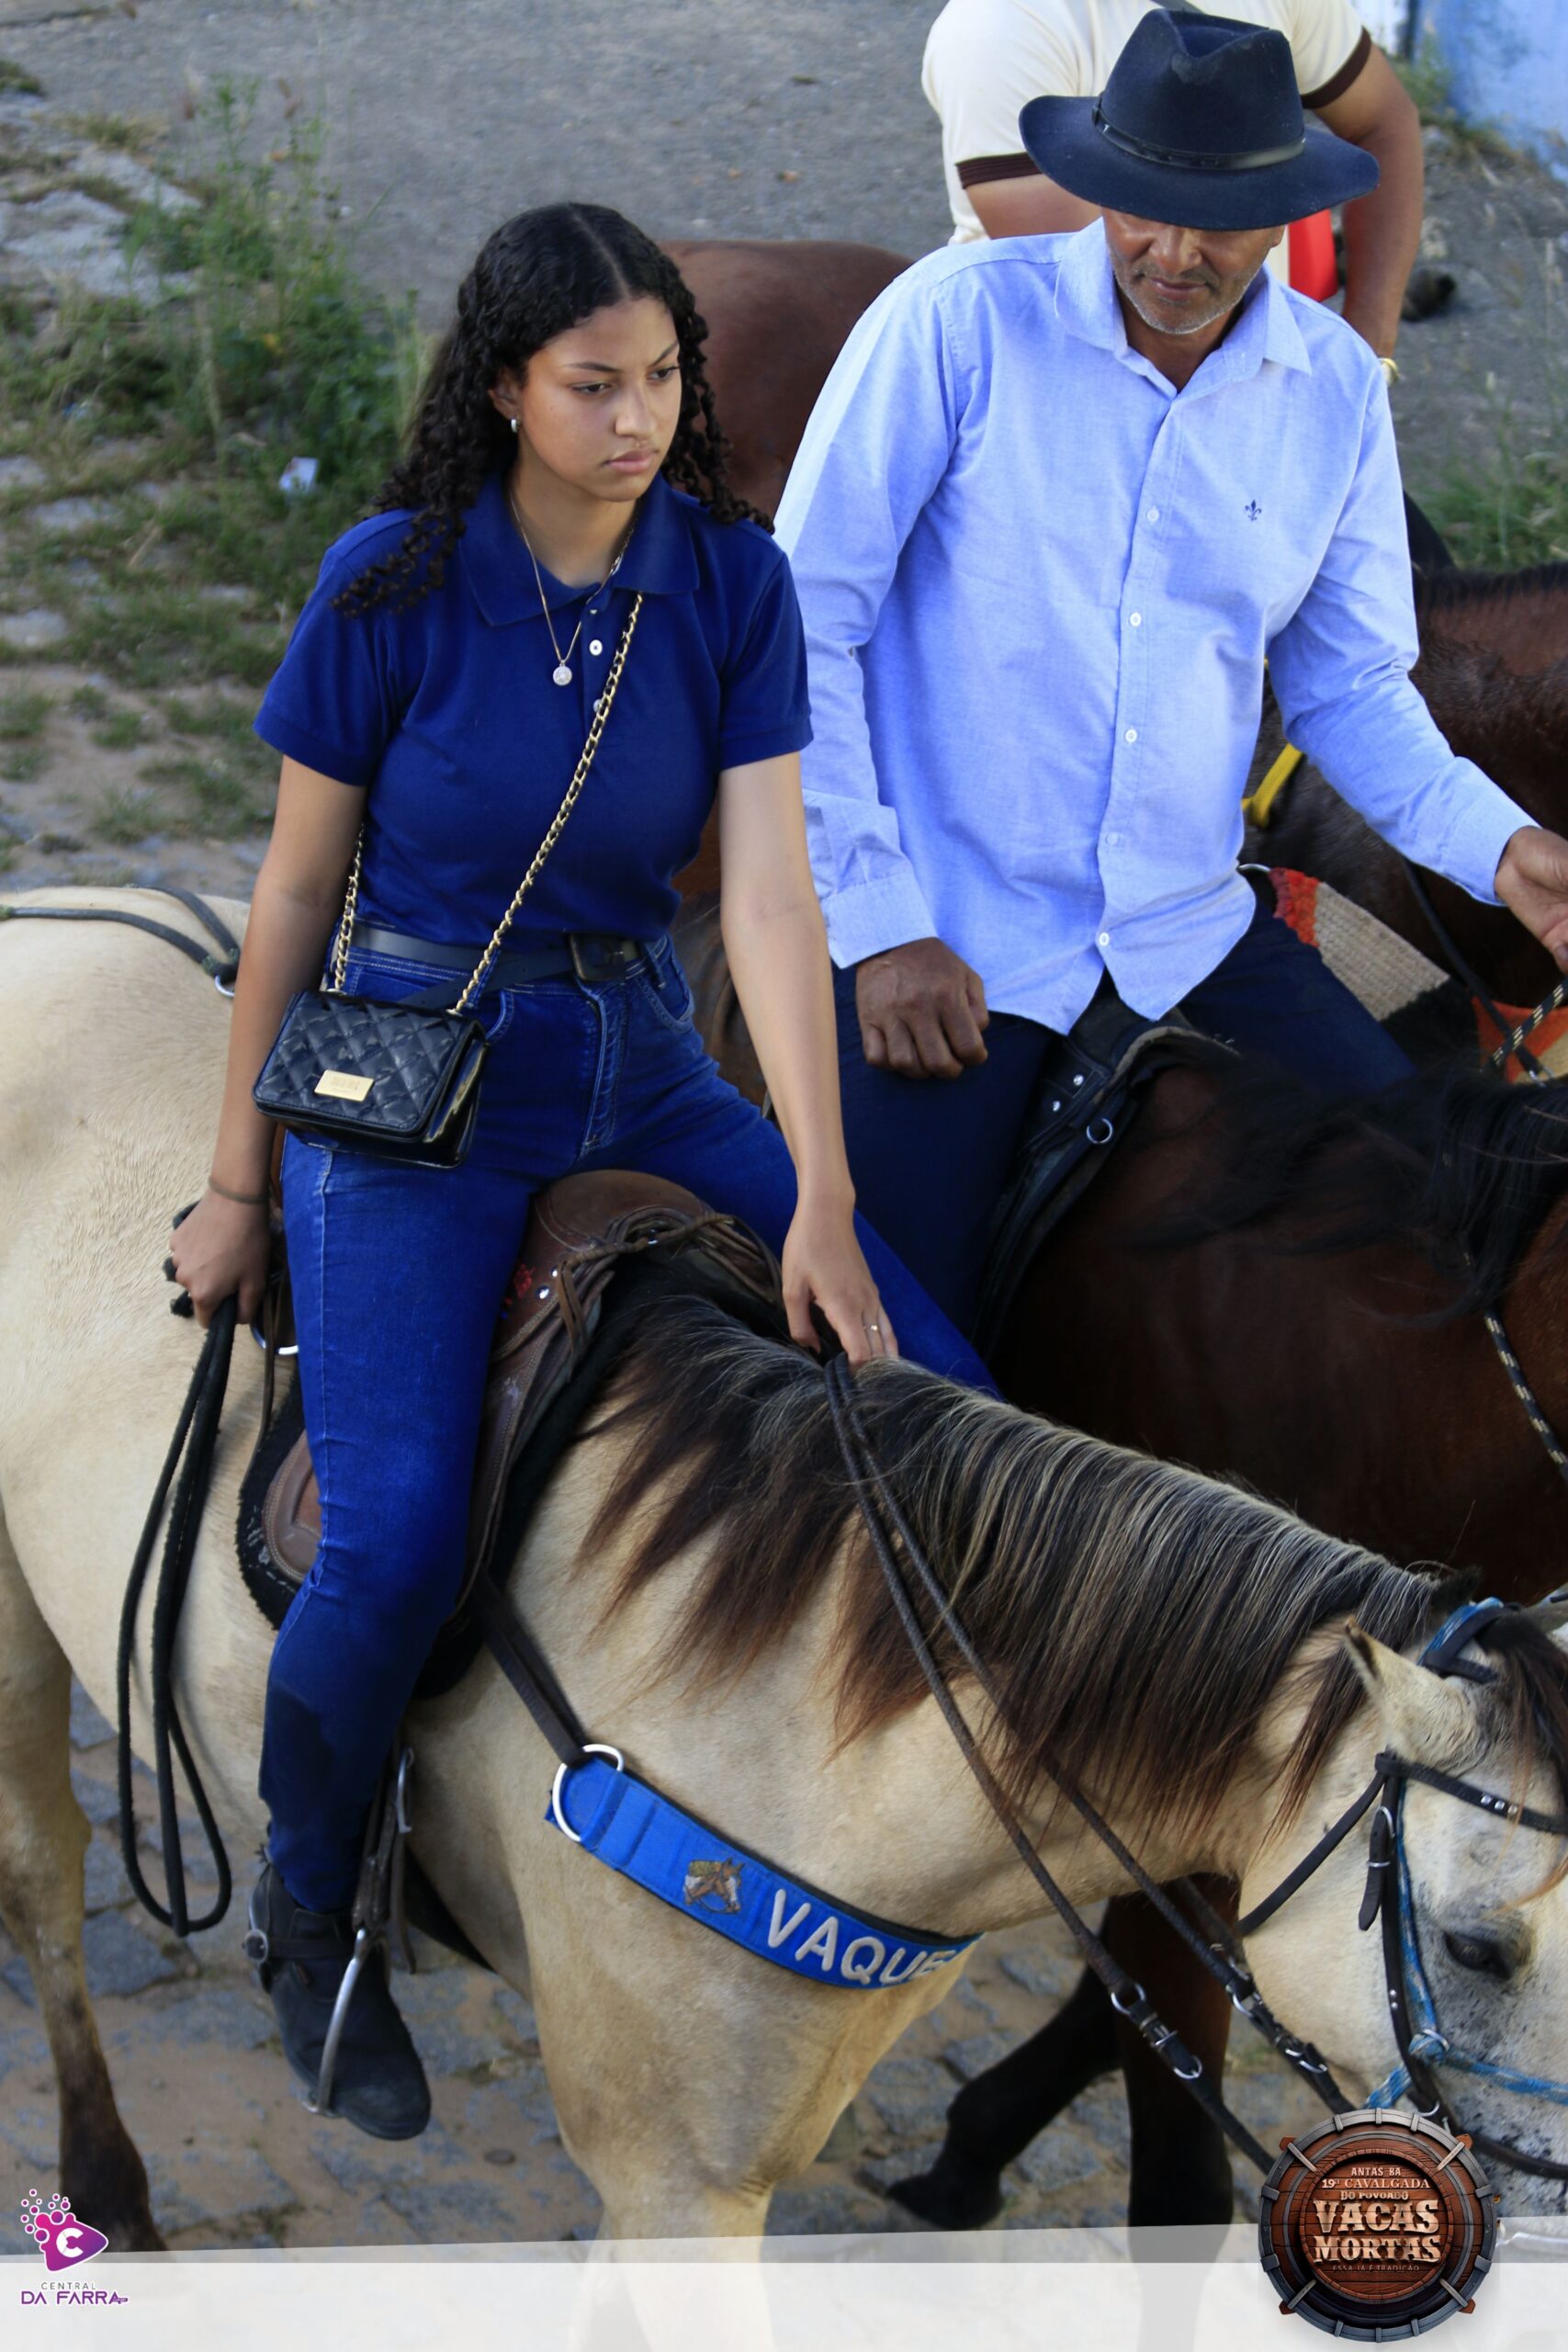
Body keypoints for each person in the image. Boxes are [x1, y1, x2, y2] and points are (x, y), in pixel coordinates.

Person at [169, 202, 992, 2140]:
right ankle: (314, 1904)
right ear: (503, 390)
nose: (639, 420)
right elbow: (292, 892)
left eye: (663, 380)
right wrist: (235, 1179)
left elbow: (769, 901)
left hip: (637, 1055)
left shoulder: (726, 583)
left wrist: (819, 1192)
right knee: (390, 1539)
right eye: (593, 384)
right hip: (416, 1071)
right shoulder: (388, 584)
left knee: (945, 1406)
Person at [775, 10, 1568, 1339]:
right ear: (1098, 183)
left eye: (1219, 222)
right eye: (1142, 208)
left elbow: (1350, 690)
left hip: (1183, 926)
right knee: (901, 1352)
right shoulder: (953, 327)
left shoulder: (1328, 391)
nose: (1172, 253)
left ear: (1284, 218)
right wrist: (878, 922)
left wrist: (1503, 850)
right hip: (956, 933)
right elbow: (798, 627)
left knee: (1441, 1205)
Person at [921, 0, 1422, 372]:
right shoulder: (999, 27)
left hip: (1249, 371)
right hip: (1040, 380)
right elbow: (1113, 295)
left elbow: (1384, 122)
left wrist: (1365, 360)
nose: (1176, 251)